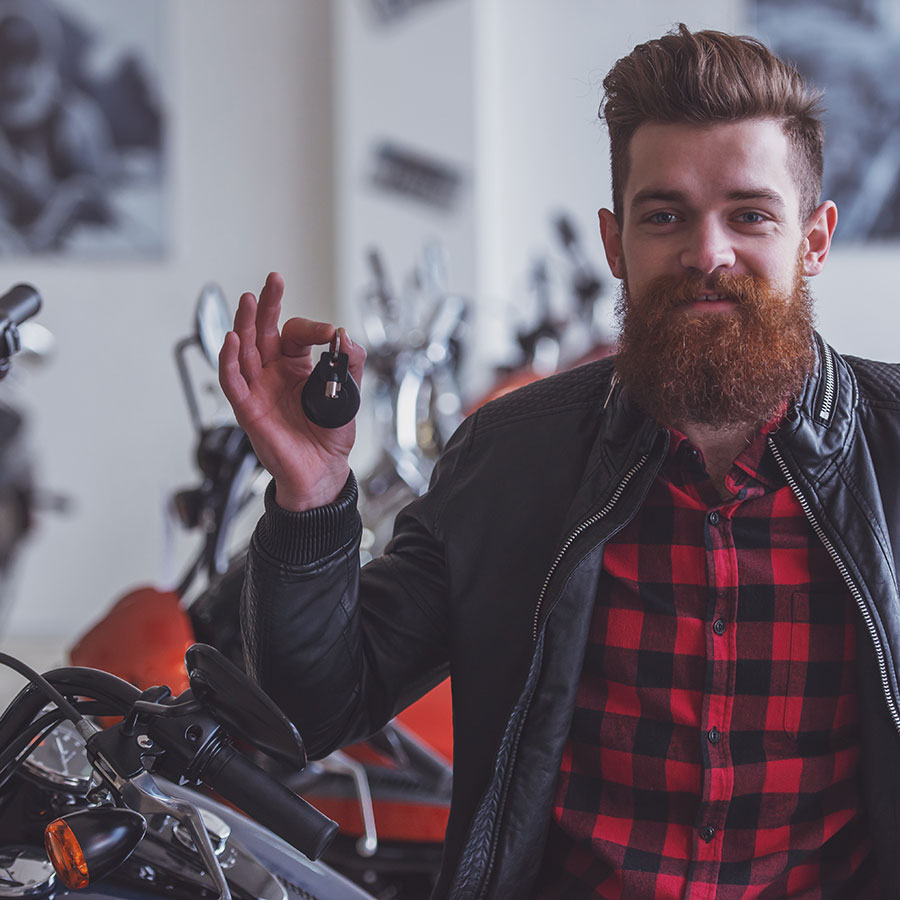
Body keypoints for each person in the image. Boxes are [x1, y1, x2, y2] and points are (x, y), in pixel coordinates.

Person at [219, 24, 900, 899]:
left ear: (813, 239)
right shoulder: (513, 458)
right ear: (616, 244)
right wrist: (311, 496)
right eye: (666, 216)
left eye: (750, 214)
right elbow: (310, 711)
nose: (707, 253)